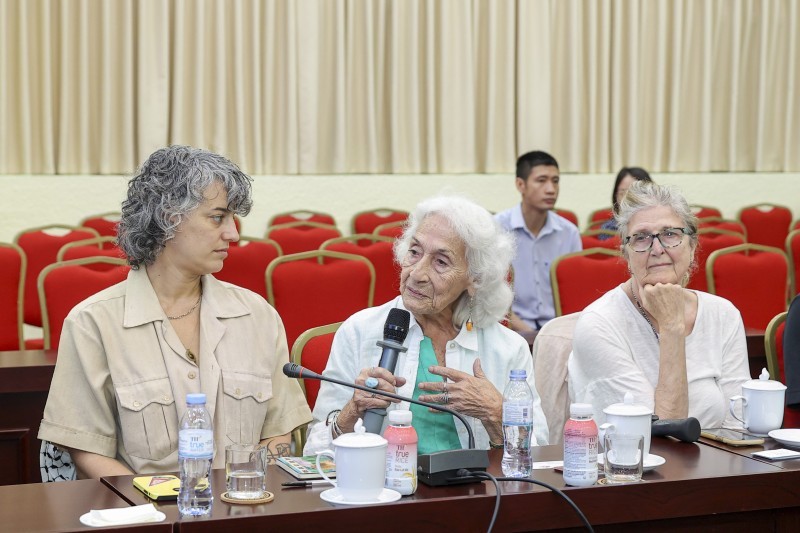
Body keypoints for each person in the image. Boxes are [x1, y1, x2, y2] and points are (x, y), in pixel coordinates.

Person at [38, 146, 312, 478]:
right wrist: (165, 508)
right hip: (144, 517)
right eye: (217, 217)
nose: (234, 233)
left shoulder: (257, 315)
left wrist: (237, 496)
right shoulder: (93, 323)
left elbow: (278, 431)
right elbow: (87, 450)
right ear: (169, 218)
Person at [304, 195, 549, 455]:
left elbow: (540, 451)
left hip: (479, 493)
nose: (417, 274)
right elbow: (314, 452)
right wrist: (352, 411)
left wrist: (496, 412)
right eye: (414, 252)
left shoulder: (509, 348)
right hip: (383, 490)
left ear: (475, 278)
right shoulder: (359, 331)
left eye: (441, 262)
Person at [568, 181, 750, 427]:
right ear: (626, 254)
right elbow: (657, 435)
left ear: (692, 246)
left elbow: (739, 424)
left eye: (670, 234)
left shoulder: (723, 314)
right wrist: (671, 327)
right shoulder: (600, 323)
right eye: (641, 238)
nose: (657, 249)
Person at [495, 150, 581, 337]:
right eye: (541, 180)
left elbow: (575, 295)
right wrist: (529, 332)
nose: (551, 189)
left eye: (555, 181)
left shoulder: (569, 233)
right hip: (509, 331)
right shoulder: (497, 229)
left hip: (560, 332)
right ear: (520, 184)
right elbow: (490, 294)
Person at [598, 166, 653, 238]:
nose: (628, 199)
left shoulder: (661, 224)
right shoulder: (609, 228)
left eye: (634, 192)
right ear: (615, 196)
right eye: (622, 193)